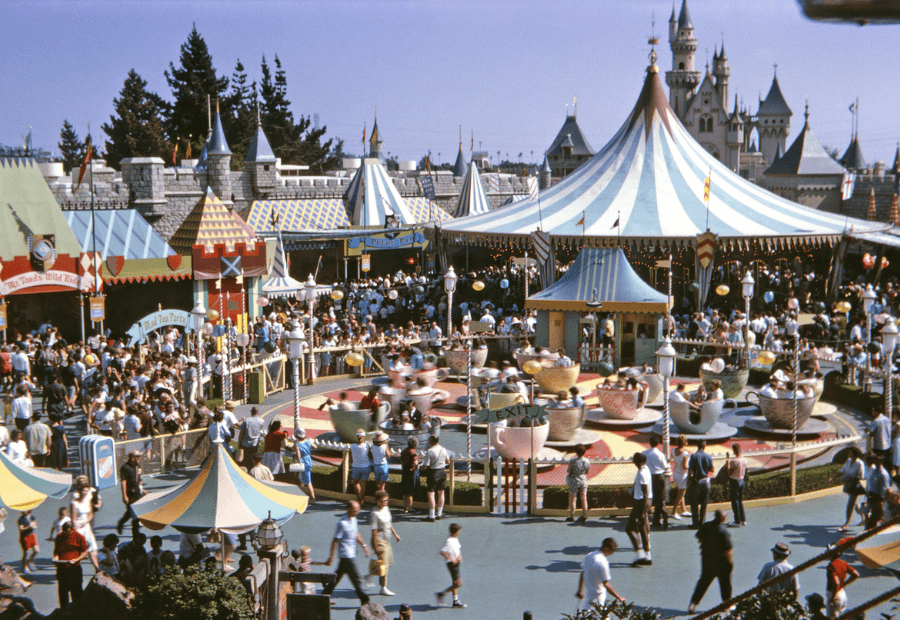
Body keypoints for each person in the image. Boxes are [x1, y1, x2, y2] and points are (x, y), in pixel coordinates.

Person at [321, 500, 370, 604]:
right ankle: (364, 600)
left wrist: (364, 545)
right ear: (348, 509)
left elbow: (356, 534)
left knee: (338, 575)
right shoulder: (342, 523)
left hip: (351, 553)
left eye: (357, 511)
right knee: (356, 578)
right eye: (355, 511)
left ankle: (325, 594)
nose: (357, 513)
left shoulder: (354, 520)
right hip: (346, 555)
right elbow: (335, 540)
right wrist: (331, 556)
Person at [687, 509, 733, 614]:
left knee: (703, 582)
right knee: (725, 583)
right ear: (723, 518)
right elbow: (728, 551)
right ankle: (726, 605)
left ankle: (693, 604)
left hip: (707, 560)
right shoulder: (724, 531)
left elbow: (700, 539)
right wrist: (730, 563)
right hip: (721, 561)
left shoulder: (706, 526)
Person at [575, 537, 625, 609]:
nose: (612, 553)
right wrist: (619, 597)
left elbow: (583, 573)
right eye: (612, 551)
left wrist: (580, 590)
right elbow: (606, 584)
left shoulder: (590, 555)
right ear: (607, 548)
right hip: (599, 596)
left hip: (589, 594)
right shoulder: (602, 563)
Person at [368, 490, 401, 596]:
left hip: (387, 540)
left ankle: (370, 574)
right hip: (380, 541)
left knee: (388, 563)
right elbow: (374, 532)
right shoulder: (375, 514)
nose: (385, 502)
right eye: (383, 501)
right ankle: (383, 588)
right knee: (384, 564)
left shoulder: (386, 509)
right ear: (377, 502)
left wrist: (395, 534)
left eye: (386, 500)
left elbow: (389, 523)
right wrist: (376, 546)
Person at [53, 521, 89, 606]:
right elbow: (56, 551)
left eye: (66, 531)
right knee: (63, 593)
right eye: (63, 531)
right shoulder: (59, 537)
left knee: (76, 592)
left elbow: (84, 552)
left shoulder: (79, 537)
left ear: (71, 529)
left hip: (74, 568)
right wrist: (56, 557)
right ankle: (63, 612)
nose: (64, 533)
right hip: (62, 568)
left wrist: (76, 559)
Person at [626, 452, 653, 566]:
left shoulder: (642, 473)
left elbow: (645, 492)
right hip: (645, 502)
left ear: (636, 461)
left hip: (640, 503)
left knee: (630, 528)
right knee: (643, 528)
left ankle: (641, 554)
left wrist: (643, 510)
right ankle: (647, 555)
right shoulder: (646, 468)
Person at [70, 478, 101, 571]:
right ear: (80, 491)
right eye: (84, 491)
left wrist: (86, 522)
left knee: (93, 549)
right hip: (78, 528)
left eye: (87, 491)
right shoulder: (74, 503)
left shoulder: (88, 501)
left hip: (86, 526)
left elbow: (91, 514)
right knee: (78, 552)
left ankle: (97, 570)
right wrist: (76, 531)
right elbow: (73, 519)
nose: (86, 493)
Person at [826, 538, 859, 618]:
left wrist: (833, 598)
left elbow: (836, 583)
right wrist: (844, 583)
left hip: (835, 595)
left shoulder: (831, 566)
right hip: (843, 594)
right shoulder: (843, 563)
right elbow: (856, 574)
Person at [435, 523, 466, 608]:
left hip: (457, 563)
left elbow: (458, 549)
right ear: (455, 532)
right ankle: (441, 594)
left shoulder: (455, 539)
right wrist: (451, 559)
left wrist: (460, 556)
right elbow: (442, 551)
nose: (459, 533)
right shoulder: (448, 541)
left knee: (454, 582)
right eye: (458, 531)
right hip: (452, 564)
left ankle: (455, 601)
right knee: (458, 583)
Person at [422, 434, 451, 522]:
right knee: (441, 492)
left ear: (431, 441)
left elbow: (426, 465)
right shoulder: (443, 449)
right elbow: (448, 461)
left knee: (431, 494)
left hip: (433, 473)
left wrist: (420, 468)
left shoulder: (429, 451)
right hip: (442, 472)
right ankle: (439, 513)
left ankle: (431, 515)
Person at [642, 436, 669, 529]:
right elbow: (665, 467)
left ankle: (646, 518)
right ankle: (659, 517)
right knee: (660, 499)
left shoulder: (644, 453)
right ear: (658, 444)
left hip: (649, 477)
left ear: (650, 442)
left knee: (648, 497)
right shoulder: (660, 455)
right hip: (659, 477)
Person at [117, 450, 145, 537]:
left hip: (137, 492)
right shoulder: (125, 468)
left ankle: (121, 522)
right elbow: (123, 482)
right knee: (134, 515)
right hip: (130, 493)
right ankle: (135, 535)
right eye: (138, 457)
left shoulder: (137, 466)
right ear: (133, 458)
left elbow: (139, 479)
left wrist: (142, 489)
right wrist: (124, 495)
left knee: (131, 512)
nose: (139, 458)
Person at [839, 447, 866, 531]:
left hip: (855, 486)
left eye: (850, 452)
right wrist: (834, 478)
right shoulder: (848, 461)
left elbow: (861, 477)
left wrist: (850, 478)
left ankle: (846, 523)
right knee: (854, 503)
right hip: (849, 485)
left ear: (854, 454)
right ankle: (864, 517)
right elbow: (843, 470)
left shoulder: (860, 463)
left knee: (850, 505)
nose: (848, 454)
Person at [688, 440, 714, 528]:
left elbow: (690, 470)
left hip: (696, 482)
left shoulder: (693, 456)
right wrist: (707, 476)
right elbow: (712, 469)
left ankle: (695, 523)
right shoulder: (708, 456)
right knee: (704, 503)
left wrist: (689, 479)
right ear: (704, 446)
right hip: (706, 482)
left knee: (694, 503)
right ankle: (702, 522)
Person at [865, 453, 891, 529]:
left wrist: (881, 502)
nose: (874, 461)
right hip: (872, 497)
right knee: (868, 514)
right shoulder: (874, 471)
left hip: (878, 499)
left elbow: (885, 490)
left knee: (876, 518)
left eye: (877, 460)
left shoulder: (883, 474)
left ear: (881, 461)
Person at [566, 444, 590, 523]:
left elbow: (568, 470)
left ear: (576, 452)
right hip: (582, 479)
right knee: (584, 498)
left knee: (573, 499)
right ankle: (585, 515)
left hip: (574, 480)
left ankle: (572, 516)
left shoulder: (573, 461)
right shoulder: (587, 461)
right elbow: (587, 471)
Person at [350, 429, 373, 505]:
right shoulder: (367, 445)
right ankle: (361, 500)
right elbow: (370, 456)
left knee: (356, 483)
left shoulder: (352, 446)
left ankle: (358, 499)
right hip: (366, 467)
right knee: (363, 485)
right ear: (363, 436)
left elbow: (350, 459)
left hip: (356, 466)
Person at [293, 428, 316, 504]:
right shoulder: (308, 441)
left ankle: (312, 498)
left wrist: (298, 463)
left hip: (303, 461)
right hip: (308, 459)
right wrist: (311, 442)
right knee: (302, 480)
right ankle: (302, 496)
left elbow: (298, 455)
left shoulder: (297, 444)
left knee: (308, 481)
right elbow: (315, 447)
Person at [727, 443, 747, 527]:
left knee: (735, 502)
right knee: (740, 501)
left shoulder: (733, 461)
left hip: (735, 481)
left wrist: (727, 462)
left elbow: (729, 473)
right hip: (742, 480)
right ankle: (743, 519)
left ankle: (737, 521)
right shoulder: (744, 460)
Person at [672, 435, 691, 519]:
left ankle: (683, 509)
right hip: (682, 475)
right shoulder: (685, 453)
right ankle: (674, 512)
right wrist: (692, 469)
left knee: (681, 493)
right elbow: (685, 466)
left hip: (675, 473)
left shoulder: (673, 450)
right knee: (680, 495)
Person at [400, 437, 420, 514]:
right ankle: (410, 508)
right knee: (410, 491)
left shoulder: (404, 451)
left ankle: (405, 508)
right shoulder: (413, 452)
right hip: (411, 472)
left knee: (404, 491)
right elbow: (415, 463)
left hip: (405, 470)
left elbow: (402, 462)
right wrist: (415, 469)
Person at [371, 431, 393, 495]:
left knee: (378, 485)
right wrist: (387, 446)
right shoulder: (384, 446)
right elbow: (388, 455)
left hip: (376, 466)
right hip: (383, 465)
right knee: (382, 486)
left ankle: (378, 497)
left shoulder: (372, 446)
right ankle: (381, 498)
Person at [18, 510, 38, 574]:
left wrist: (33, 526)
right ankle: (24, 567)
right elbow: (21, 529)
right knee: (26, 552)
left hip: (32, 535)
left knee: (36, 551)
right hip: (25, 537)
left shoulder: (32, 517)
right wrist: (29, 527)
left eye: (24, 510)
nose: (22, 511)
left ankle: (30, 562)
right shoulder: (21, 519)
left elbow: (35, 526)